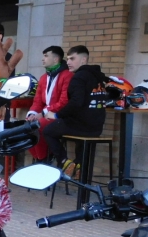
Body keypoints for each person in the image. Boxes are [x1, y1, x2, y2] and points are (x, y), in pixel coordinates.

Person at [43, 45, 108, 177]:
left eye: (72, 59)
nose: (68, 62)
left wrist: (56, 115)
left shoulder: (79, 77)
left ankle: (65, 163)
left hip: (81, 127)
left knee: (48, 131)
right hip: (97, 129)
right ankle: (79, 166)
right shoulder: (99, 77)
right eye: (67, 59)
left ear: (84, 60)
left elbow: (75, 103)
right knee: (79, 139)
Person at [25, 46, 72, 162]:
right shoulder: (43, 78)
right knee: (25, 127)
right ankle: (39, 158)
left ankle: (44, 160)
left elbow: (64, 101)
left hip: (60, 116)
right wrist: (32, 113)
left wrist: (43, 113)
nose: (42, 59)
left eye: (46, 56)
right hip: (45, 115)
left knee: (37, 126)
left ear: (56, 59)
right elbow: (37, 101)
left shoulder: (68, 75)